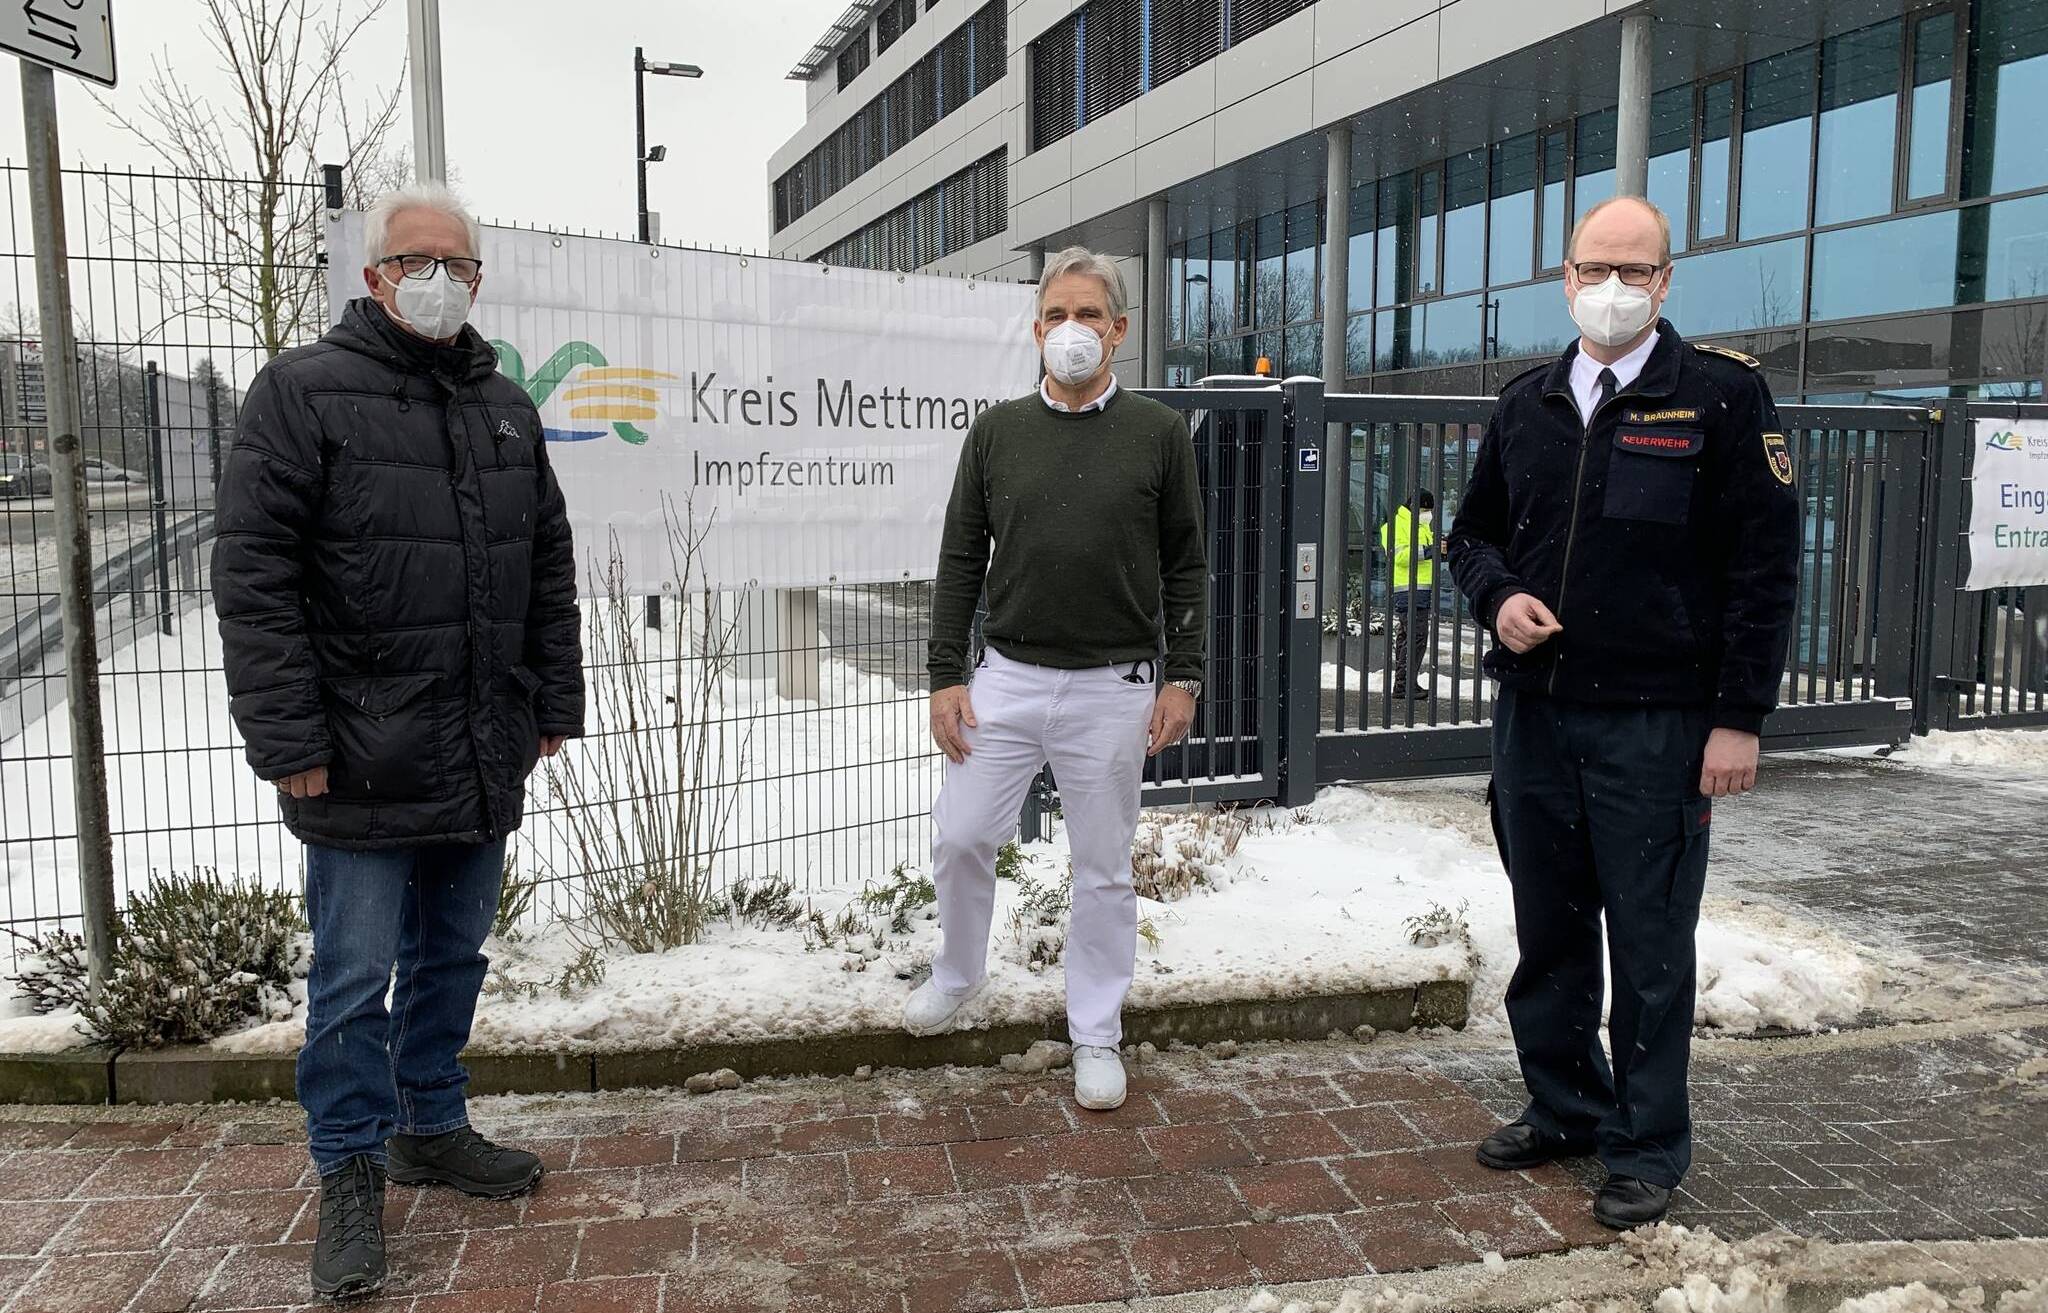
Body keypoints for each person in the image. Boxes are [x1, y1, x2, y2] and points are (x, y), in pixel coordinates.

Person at [212, 183, 584, 1300]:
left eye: (455, 264)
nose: (435, 279)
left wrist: (551, 706)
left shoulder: (506, 406)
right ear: (372, 276)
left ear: (477, 281)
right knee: (353, 975)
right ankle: (349, 1169)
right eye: (413, 260)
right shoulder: (300, 394)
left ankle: (431, 1120)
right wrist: (289, 739)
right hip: (355, 753)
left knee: (453, 954)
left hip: (478, 744)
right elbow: (254, 579)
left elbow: (547, 569)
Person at [1444, 196, 1800, 1230]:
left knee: (1649, 945)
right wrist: (1497, 597)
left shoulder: (1721, 398)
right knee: (1547, 929)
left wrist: (1738, 716)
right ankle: (1564, 1105)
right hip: (1535, 718)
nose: (1612, 288)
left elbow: (1763, 571)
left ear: (1664, 281)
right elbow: (1469, 536)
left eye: (1633, 271)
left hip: (1655, 724)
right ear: (1562, 278)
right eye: (1594, 268)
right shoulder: (1527, 403)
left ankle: (1644, 1143)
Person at [913, 246, 1208, 1112]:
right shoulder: (997, 432)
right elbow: (960, 557)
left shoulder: (1156, 433)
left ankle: (1095, 1032)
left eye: (1088, 315)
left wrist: (1182, 674)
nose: (1070, 331)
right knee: (963, 836)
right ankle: (959, 973)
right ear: (1034, 329)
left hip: (1114, 687)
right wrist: (944, 673)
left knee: (1104, 867)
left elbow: (1186, 564)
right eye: (1055, 316)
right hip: (1003, 679)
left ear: (1119, 329)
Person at [1378, 489, 1436, 699]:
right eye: (1426, 510)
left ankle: (1404, 683)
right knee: (1416, 636)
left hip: (1419, 591)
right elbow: (1400, 556)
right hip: (1408, 591)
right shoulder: (1395, 526)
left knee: (1407, 637)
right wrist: (1431, 551)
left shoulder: (1420, 526)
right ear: (1415, 508)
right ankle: (1404, 684)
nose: (1429, 514)